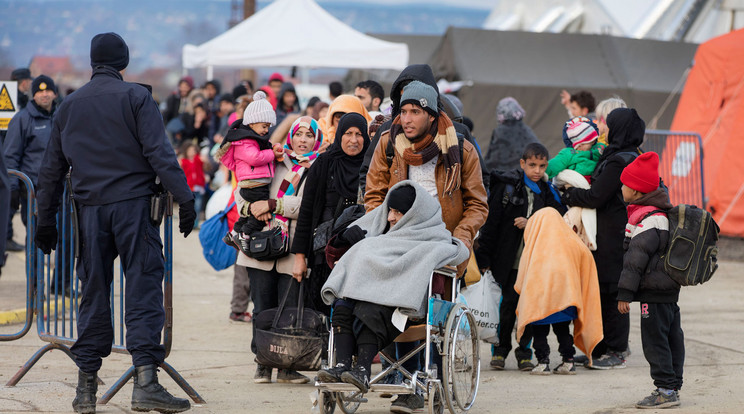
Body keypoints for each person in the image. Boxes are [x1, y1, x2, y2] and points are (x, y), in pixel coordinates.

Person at [34, 32, 195, 414]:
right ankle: (146, 384)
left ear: (93, 62)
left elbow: (50, 170)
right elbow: (159, 153)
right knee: (141, 288)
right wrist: (185, 199)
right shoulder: (137, 97)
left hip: (89, 211)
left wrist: (44, 220)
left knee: (93, 292)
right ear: (122, 62)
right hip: (134, 208)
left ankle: (85, 390)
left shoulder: (69, 105)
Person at [364, 80, 488, 413]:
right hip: (396, 240)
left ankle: (418, 382)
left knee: (428, 313)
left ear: (432, 116)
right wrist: (382, 227)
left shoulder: (460, 149)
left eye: (415, 111)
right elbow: (374, 194)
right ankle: (396, 375)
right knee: (384, 302)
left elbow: (477, 204)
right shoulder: (389, 144)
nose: (407, 118)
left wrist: (461, 236)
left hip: (441, 244)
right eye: (403, 111)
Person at [317, 181, 470, 398]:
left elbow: (457, 254)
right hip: (366, 293)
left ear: (414, 214)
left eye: (397, 212)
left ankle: (362, 370)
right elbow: (341, 253)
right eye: (390, 210)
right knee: (342, 305)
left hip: (401, 303)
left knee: (368, 311)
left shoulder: (433, 238)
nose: (390, 217)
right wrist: (343, 238)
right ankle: (341, 365)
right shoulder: (379, 230)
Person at [237, 115, 324, 384]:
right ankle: (262, 363)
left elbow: (309, 207)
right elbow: (244, 190)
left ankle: (287, 366)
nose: (302, 140)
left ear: (316, 140)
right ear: (290, 137)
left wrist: (274, 205)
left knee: (289, 311)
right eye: (298, 134)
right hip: (261, 246)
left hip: (293, 249)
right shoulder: (270, 160)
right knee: (262, 308)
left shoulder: (318, 167)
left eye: (309, 136)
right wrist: (251, 208)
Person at [561, 107, 646, 369]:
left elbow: (596, 196)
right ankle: (598, 348)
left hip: (614, 236)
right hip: (611, 233)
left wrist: (567, 194)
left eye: (608, 126)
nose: (604, 131)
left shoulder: (620, 161)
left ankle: (617, 350)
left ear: (619, 130)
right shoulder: (628, 155)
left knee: (612, 292)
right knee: (601, 291)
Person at [475, 142, 566, 371]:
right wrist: (484, 259)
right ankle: (500, 350)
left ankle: (524, 352)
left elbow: (558, 218)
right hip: (508, 263)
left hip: (535, 264)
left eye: (542, 166)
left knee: (530, 309)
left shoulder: (547, 191)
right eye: (532, 165)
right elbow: (491, 224)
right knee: (506, 309)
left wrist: (532, 221)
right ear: (522, 164)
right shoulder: (507, 188)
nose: (537, 170)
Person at [616, 151, 682, 409]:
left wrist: (624, 293)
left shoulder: (648, 219)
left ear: (635, 190)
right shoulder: (658, 214)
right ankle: (672, 385)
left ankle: (665, 389)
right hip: (667, 291)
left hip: (653, 294)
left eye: (624, 184)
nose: (621, 188)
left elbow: (636, 259)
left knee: (655, 341)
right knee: (671, 337)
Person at [291, 113, 370, 316]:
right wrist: (300, 257)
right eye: (348, 133)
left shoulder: (371, 165)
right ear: (339, 134)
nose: (354, 140)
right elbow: (307, 212)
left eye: (359, 134)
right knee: (323, 311)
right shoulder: (325, 163)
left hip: (360, 251)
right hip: (324, 254)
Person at [512, 207, 602, 376]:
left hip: (540, 301)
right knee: (563, 331)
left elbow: (524, 275)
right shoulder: (571, 242)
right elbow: (587, 258)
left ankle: (543, 362)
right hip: (566, 300)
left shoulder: (536, 246)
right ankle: (568, 361)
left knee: (540, 332)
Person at [216, 91, 282, 244]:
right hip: (255, 185)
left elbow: (267, 149)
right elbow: (255, 157)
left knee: (247, 216)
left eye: (268, 126)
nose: (267, 130)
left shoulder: (254, 139)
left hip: (255, 183)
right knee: (260, 216)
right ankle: (244, 236)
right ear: (252, 123)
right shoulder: (245, 140)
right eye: (264, 126)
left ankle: (233, 233)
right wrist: (272, 154)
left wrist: (275, 149)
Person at [4, 75, 58, 253]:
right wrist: (12, 188)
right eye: (40, 91)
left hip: (60, 190)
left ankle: (62, 281)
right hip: (33, 193)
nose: (44, 94)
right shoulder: (22, 119)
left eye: (48, 90)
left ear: (55, 94)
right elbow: (11, 156)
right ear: (33, 95)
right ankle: (35, 281)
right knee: (36, 239)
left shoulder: (60, 117)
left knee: (65, 240)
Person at [484, 97, 541, 173]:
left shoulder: (500, 131)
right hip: (528, 175)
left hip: (508, 177)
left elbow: (493, 159)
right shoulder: (526, 129)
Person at [179, 141, 206, 228]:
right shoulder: (183, 161)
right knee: (188, 207)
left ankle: (195, 223)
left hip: (198, 186)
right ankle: (188, 223)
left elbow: (204, 161)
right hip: (188, 187)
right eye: (190, 150)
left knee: (197, 207)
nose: (192, 152)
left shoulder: (198, 159)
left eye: (193, 150)